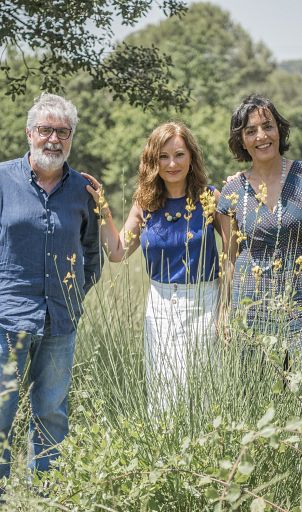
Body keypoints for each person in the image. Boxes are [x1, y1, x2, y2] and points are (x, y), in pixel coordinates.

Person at [0, 93, 101, 512]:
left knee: (52, 415)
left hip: (61, 323)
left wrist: (75, 296)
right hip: (5, 322)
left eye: (62, 132)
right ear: (29, 133)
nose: (53, 139)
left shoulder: (83, 190)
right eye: (46, 130)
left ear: (71, 137)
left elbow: (90, 252)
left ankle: (47, 506)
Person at [84, 121, 232, 414]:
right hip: (160, 305)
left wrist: (224, 310)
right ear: (153, 161)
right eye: (163, 157)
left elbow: (231, 255)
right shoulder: (145, 203)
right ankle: (167, 458)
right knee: (164, 391)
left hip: (204, 301)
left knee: (204, 392)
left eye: (179, 154)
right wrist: (103, 209)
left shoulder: (211, 198)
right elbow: (117, 252)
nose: (172, 163)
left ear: (191, 157)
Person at [216, 94, 302, 402]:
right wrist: (224, 310)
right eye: (251, 131)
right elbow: (230, 258)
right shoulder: (234, 190)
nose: (262, 136)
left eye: (268, 126)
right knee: (257, 399)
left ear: (280, 130)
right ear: (242, 142)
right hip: (251, 310)